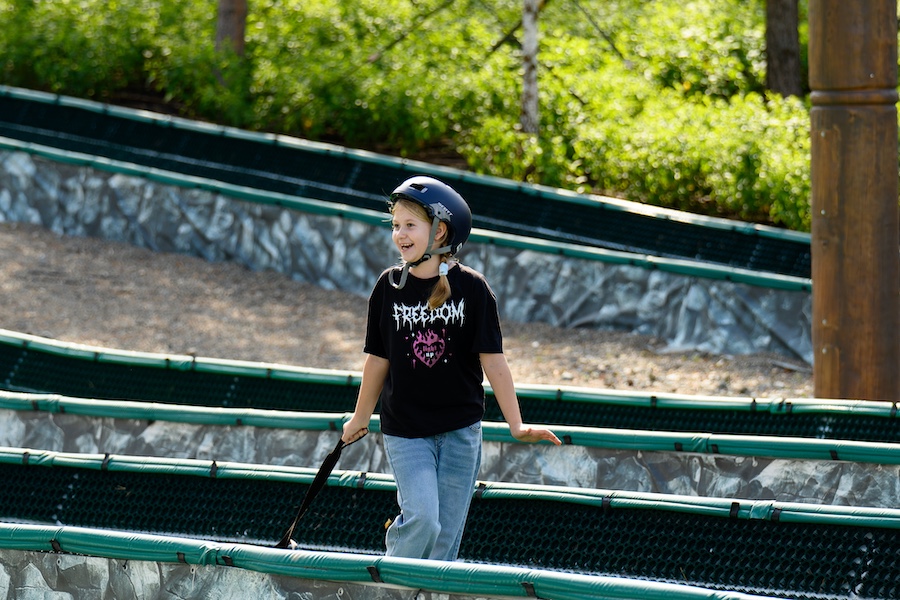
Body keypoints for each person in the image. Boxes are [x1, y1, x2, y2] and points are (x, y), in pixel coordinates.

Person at [341, 175, 561, 562]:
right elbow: (378, 358)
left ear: (440, 230)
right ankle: (390, 586)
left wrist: (517, 424)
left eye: (410, 225)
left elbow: (493, 360)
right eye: (396, 225)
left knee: (444, 541)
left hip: (461, 432)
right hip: (407, 431)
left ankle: (426, 589)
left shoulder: (473, 289)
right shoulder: (388, 288)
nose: (400, 234)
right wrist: (360, 417)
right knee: (424, 520)